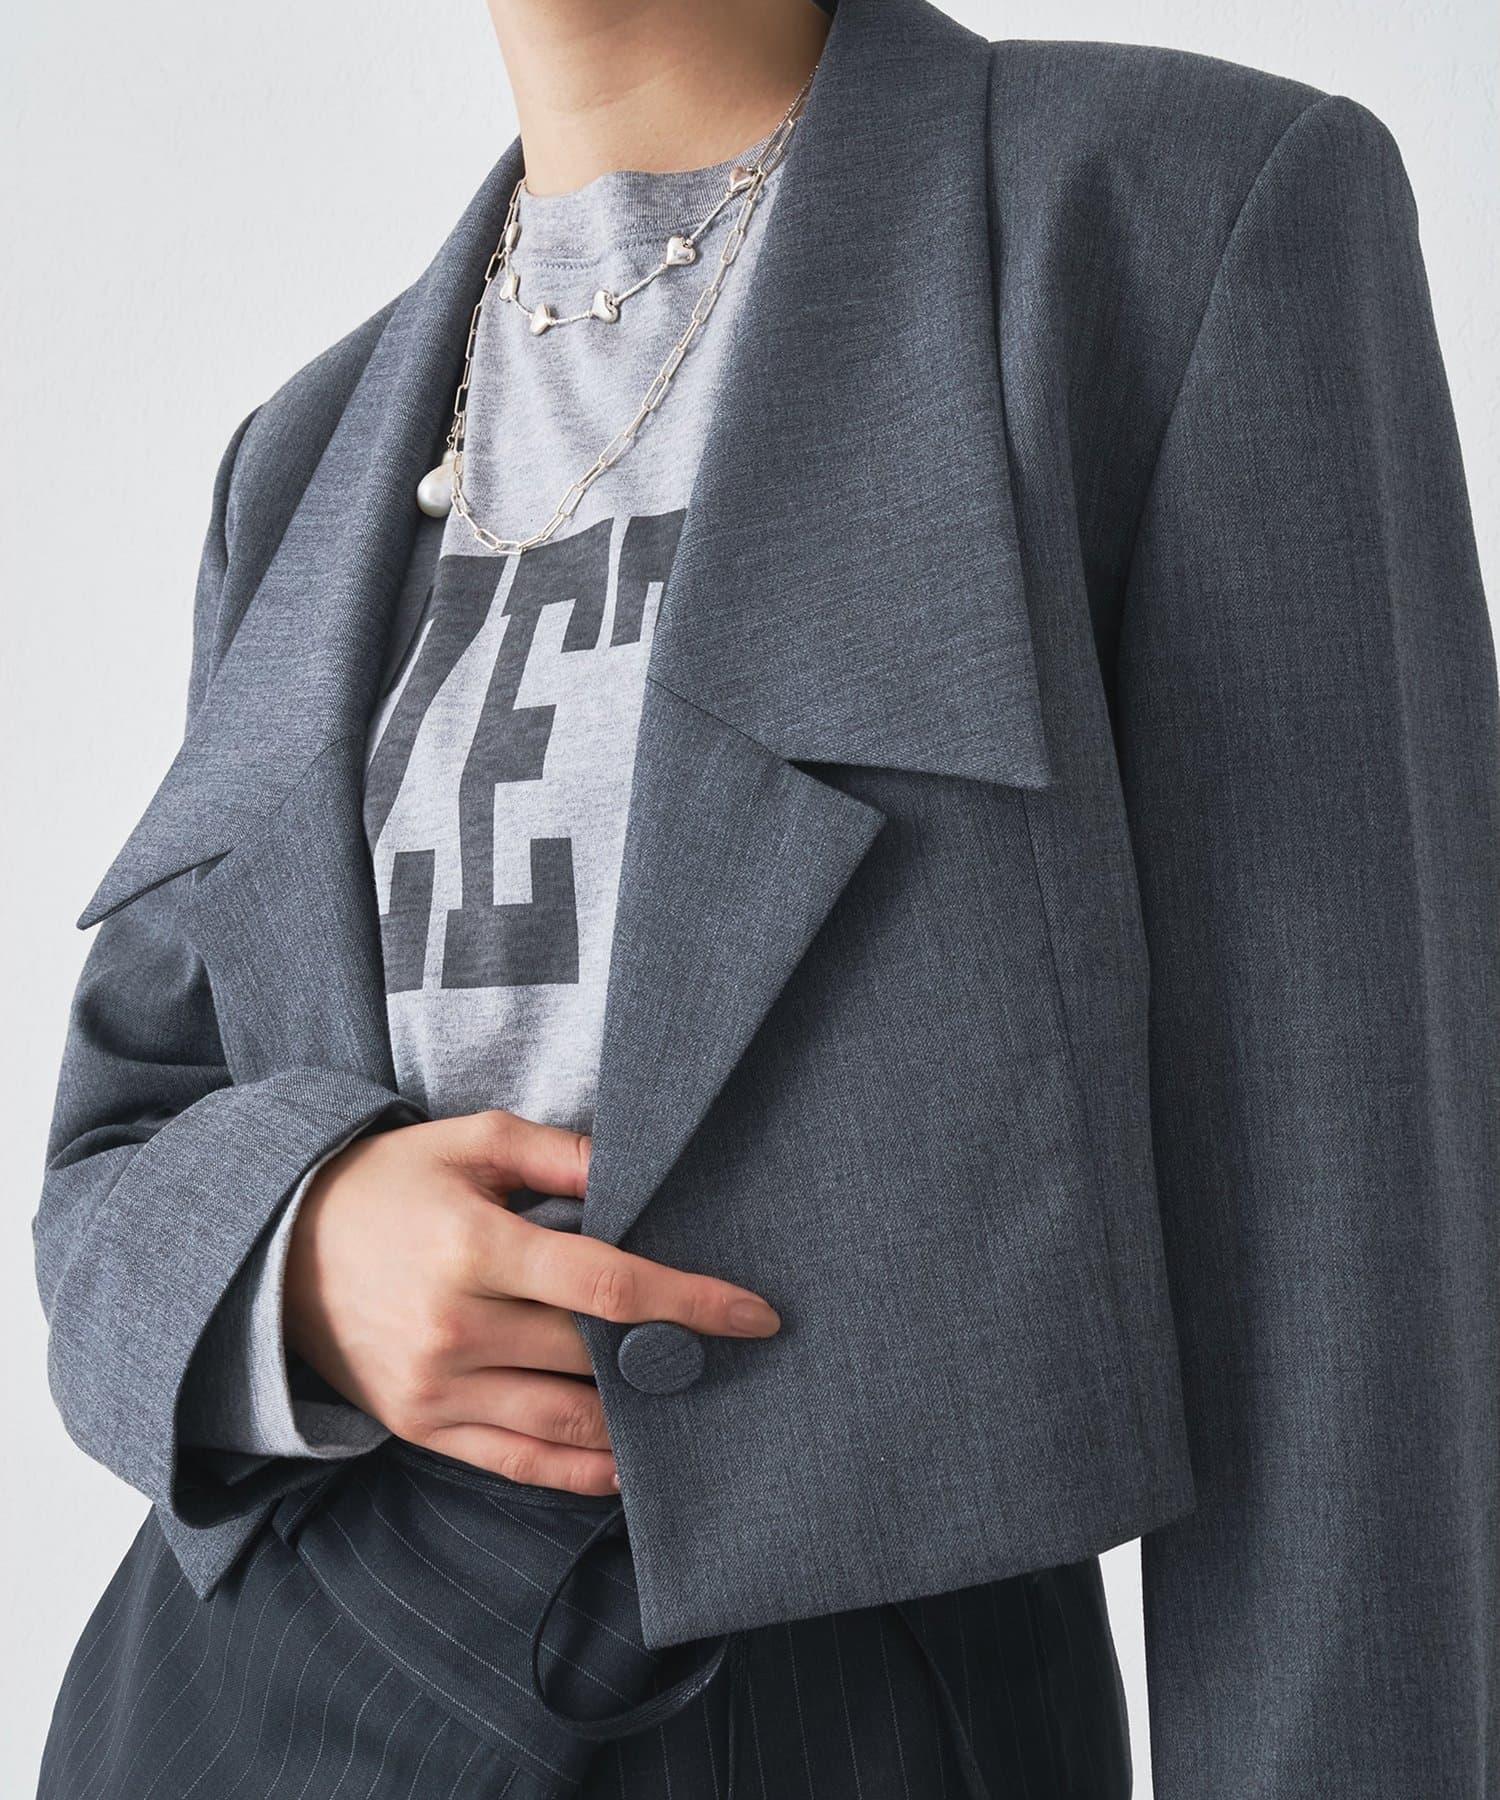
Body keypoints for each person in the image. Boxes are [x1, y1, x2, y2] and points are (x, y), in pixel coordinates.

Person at [31, 0, 1498, 1793]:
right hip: (223, 1699)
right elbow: (112, 1162)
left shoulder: (1165, 220)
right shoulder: (303, 457)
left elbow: (1350, 1245)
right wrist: (299, 1257)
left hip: (834, 1722)